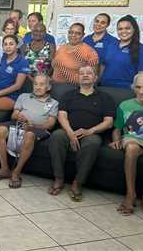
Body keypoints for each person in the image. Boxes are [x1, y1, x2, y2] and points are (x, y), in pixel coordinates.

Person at [48, 65, 115, 201]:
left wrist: (90, 131)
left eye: (89, 73)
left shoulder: (105, 97)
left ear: (95, 78)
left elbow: (108, 122)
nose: (85, 75)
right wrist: (70, 133)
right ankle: (59, 178)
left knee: (93, 142)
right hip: (68, 131)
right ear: (78, 78)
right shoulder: (68, 95)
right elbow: (62, 116)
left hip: (91, 133)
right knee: (56, 136)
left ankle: (77, 183)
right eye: (81, 73)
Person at [0, 74, 58, 188]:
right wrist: (19, 116)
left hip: (37, 129)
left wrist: (33, 125)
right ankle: (4, 168)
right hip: (19, 124)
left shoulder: (54, 103)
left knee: (29, 134)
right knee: (0, 130)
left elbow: (50, 124)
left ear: (48, 87)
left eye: (41, 84)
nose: (38, 87)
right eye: (35, 84)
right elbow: (14, 114)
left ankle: (16, 172)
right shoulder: (24, 96)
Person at [110, 72, 143, 219]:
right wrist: (115, 139)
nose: (141, 91)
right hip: (134, 140)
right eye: (138, 87)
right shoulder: (125, 105)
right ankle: (130, 194)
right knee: (131, 148)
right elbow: (117, 129)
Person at [100, 15, 143, 89]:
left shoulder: (142, 49)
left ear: (134, 29)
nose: (123, 31)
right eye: (120, 29)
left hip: (126, 90)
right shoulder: (110, 45)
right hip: (104, 87)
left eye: (127, 28)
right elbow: (102, 67)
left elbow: (142, 75)